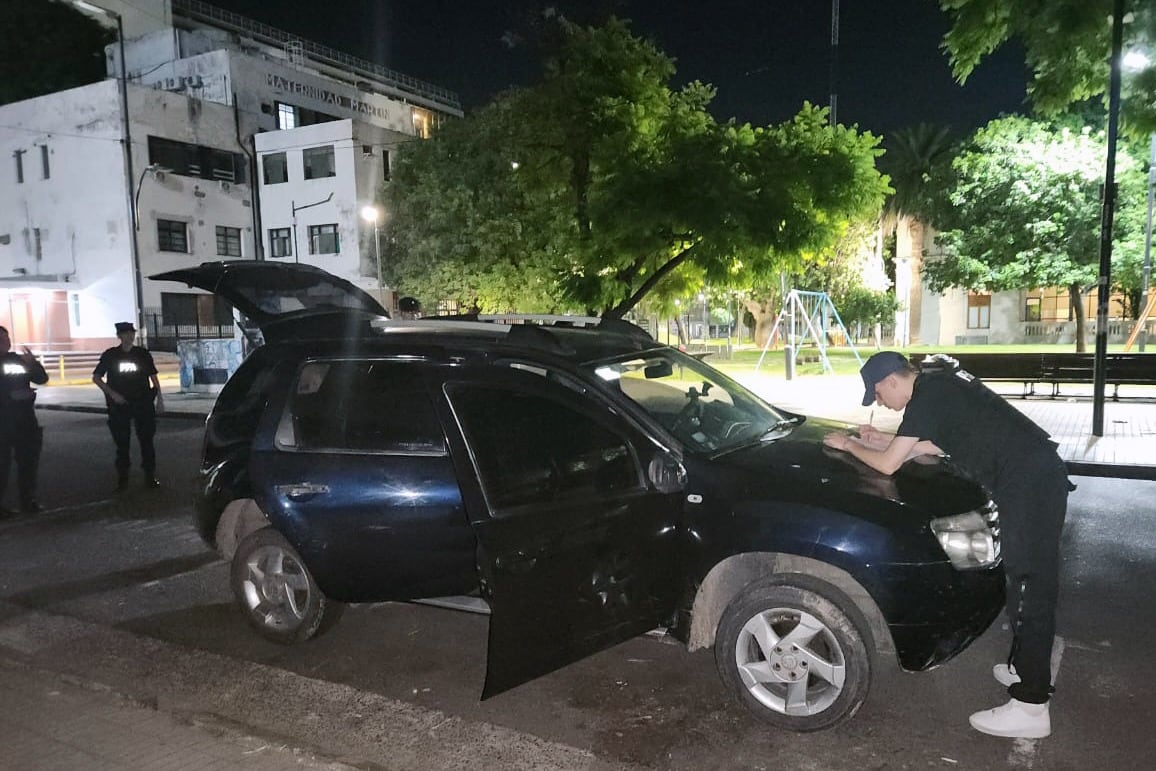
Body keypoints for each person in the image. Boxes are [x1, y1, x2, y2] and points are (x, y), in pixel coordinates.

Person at [822, 351, 1070, 739]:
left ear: (890, 382)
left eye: (879, 397)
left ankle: (1031, 704)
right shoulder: (938, 386)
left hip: (1030, 485)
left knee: (1029, 586)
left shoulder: (926, 397)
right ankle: (1025, 666)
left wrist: (849, 445)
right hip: (1034, 476)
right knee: (1021, 582)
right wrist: (880, 438)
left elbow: (888, 465)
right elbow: (931, 446)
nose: (883, 405)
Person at [92, 322, 164, 490]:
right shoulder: (110, 355)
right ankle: (123, 479)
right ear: (119, 336)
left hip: (142, 403)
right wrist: (112, 394)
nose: (129, 337)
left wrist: (160, 398)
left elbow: (153, 377)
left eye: (131, 333)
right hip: (119, 405)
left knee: (146, 440)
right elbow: (96, 377)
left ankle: (149, 477)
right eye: (125, 334)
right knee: (122, 443)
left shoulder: (142, 354)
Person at [0, 326, 48, 516]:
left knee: (28, 463)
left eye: (6, 337)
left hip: (25, 420)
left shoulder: (18, 360)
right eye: (0, 338)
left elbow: (41, 379)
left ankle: (28, 501)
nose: (5, 341)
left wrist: (33, 363)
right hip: (2, 422)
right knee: (1, 465)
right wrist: (10, 397)